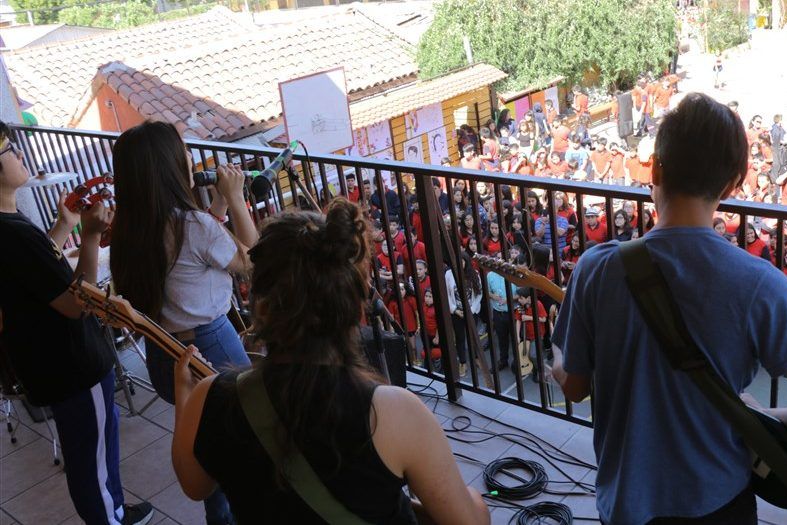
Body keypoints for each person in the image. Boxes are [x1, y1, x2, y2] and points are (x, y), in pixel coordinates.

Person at [548, 94, 787, 524]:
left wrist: (557, 351)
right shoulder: (761, 284)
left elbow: (574, 386)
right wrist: (756, 415)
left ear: (655, 169)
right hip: (721, 504)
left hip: (628, 505)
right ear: (731, 185)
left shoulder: (597, 268)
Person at [171, 200, 489, 523]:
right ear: (354, 307)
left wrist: (185, 396)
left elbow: (194, 485)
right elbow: (470, 521)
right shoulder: (395, 412)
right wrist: (474, 498)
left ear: (261, 310)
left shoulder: (211, 396)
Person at [0, 123, 155, 525]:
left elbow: (35, 272)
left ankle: (114, 509)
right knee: (91, 458)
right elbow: (74, 303)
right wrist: (89, 238)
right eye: (10, 148)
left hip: (51, 362)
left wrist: (65, 226)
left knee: (94, 447)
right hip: (71, 364)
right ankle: (109, 519)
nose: (20, 153)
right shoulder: (11, 233)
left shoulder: (9, 224)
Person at [109, 121, 256, 524]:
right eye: (183, 153)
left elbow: (187, 264)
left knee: (210, 442)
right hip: (210, 346)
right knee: (237, 444)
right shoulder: (194, 227)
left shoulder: (128, 231)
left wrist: (218, 207)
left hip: (164, 354)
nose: (190, 159)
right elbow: (253, 261)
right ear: (168, 166)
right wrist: (236, 199)